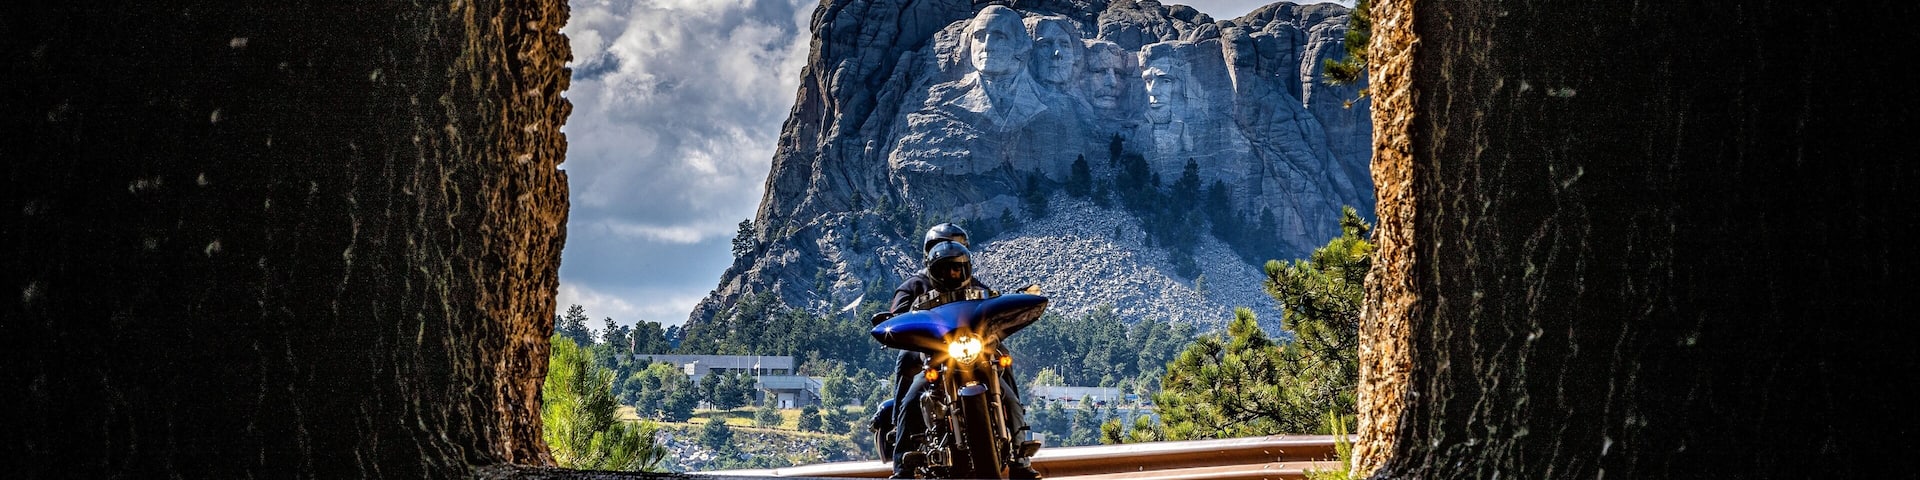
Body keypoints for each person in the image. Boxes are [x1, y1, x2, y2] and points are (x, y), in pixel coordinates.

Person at [875, 224, 1039, 479]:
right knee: (910, 389)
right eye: (945, 263)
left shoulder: (973, 284)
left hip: (974, 352)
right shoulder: (914, 285)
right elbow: (897, 315)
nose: (952, 270)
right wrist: (895, 321)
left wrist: (1010, 305)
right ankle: (902, 465)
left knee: (1003, 361)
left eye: (957, 263)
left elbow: (990, 304)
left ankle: (1021, 454)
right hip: (935, 355)